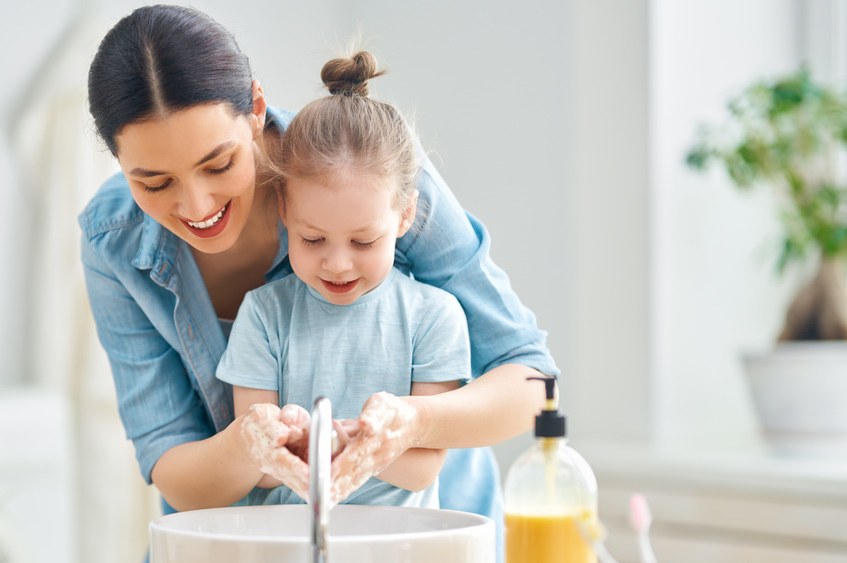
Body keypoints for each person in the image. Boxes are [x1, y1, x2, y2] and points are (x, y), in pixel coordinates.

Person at [79, 4, 559, 558]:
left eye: (217, 164)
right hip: (244, 544)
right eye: (154, 181)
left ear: (255, 109)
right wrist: (246, 447)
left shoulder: (371, 168)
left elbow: (531, 380)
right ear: (118, 161)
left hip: (420, 536)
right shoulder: (111, 239)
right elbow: (172, 466)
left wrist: (414, 423)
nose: (196, 205)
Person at [215, 50, 470, 510]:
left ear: (405, 215)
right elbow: (262, 471)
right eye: (312, 240)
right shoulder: (264, 314)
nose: (337, 264)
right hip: (289, 544)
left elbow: (422, 470)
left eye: (363, 243)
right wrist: (282, 438)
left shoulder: (434, 317)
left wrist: (335, 442)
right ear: (284, 211)